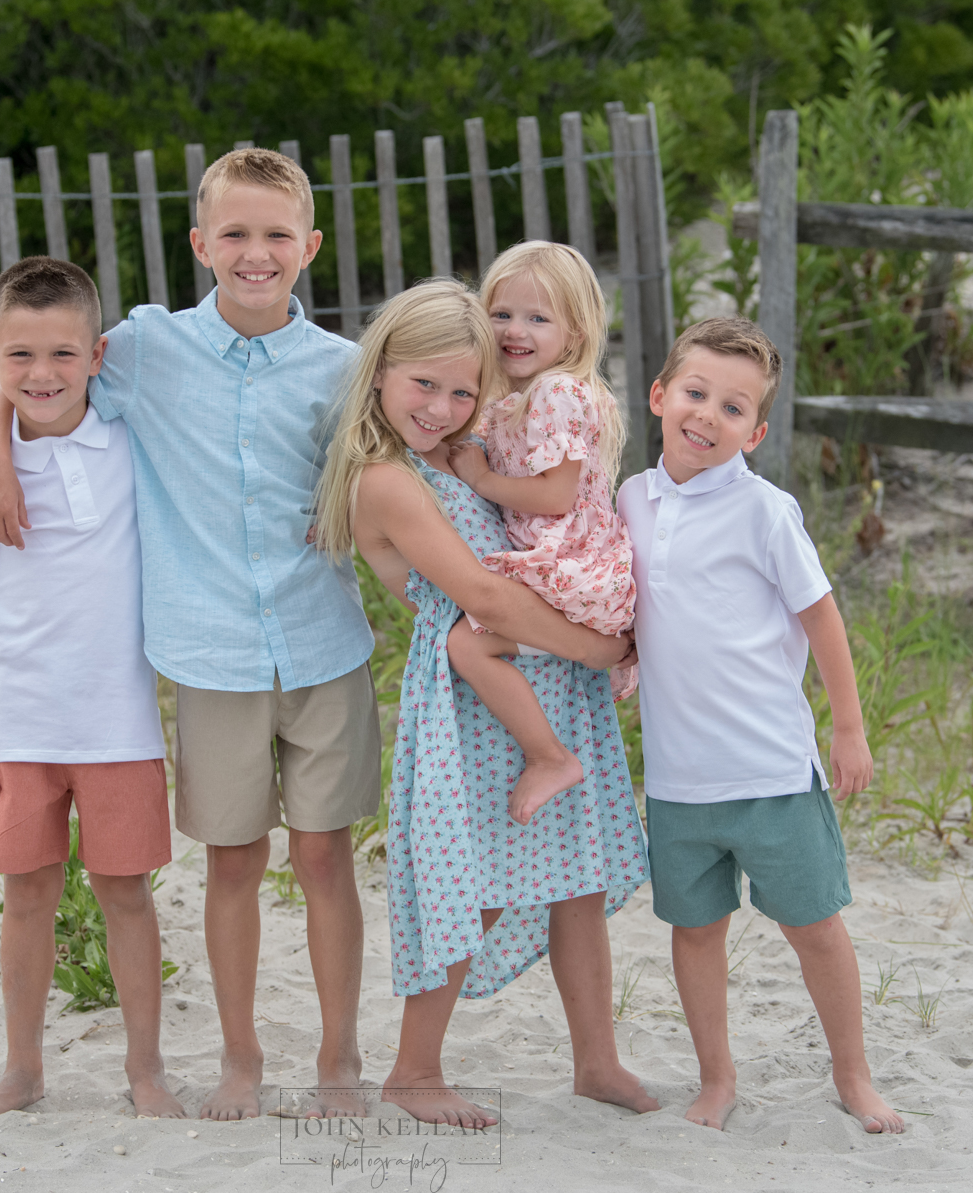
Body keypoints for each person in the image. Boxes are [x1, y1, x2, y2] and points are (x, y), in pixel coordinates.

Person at [0, 149, 380, 1121]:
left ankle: (337, 1060)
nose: (254, 252)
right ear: (200, 244)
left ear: (309, 246)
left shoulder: (343, 366)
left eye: (276, 234)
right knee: (231, 860)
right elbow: (39, 364)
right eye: (233, 233)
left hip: (325, 645)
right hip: (211, 657)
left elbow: (394, 461)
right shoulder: (148, 347)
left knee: (324, 856)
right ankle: (240, 1058)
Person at [315, 279, 656, 1129]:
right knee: (478, 884)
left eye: (462, 389)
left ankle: (596, 1059)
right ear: (380, 373)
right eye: (422, 384)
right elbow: (481, 598)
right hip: (477, 696)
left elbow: (549, 515)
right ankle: (414, 1067)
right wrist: (607, 647)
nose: (442, 405)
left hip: (542, 683)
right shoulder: (387, 479)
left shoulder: (461, 451)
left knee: (575, 876)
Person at [614, 316, 904, 1135]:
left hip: (772, 768)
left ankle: (853, 1075)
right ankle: (717, 1079)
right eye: (697, 393)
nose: (709, 415)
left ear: (758, 429)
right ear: (660, 394)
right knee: (695, 931)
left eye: (734, 407)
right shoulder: (632, 497)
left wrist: (848, 730)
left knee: (814, 926)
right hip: (679, 778)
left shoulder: (765, 511)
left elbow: (823, 620)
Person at [0, 256, 179, 1120]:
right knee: (27, 894)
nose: (44, 375)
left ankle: (145, 1070)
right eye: (22, 357)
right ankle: (23, 1069)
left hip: (120, 725)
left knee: (127, 894)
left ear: (98, 355)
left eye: (65, 355)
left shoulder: (132, 442)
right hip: (20, 722)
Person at [443, 242, 636, 826]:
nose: (514, 330)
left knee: (467, 644)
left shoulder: (557, 393)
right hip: (569, 564)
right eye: (501, 314)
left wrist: (480, 478)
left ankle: (548, 757)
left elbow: (555, 494)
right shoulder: (518, 396)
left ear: (574, 334)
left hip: (573, 566)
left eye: (537, 318)